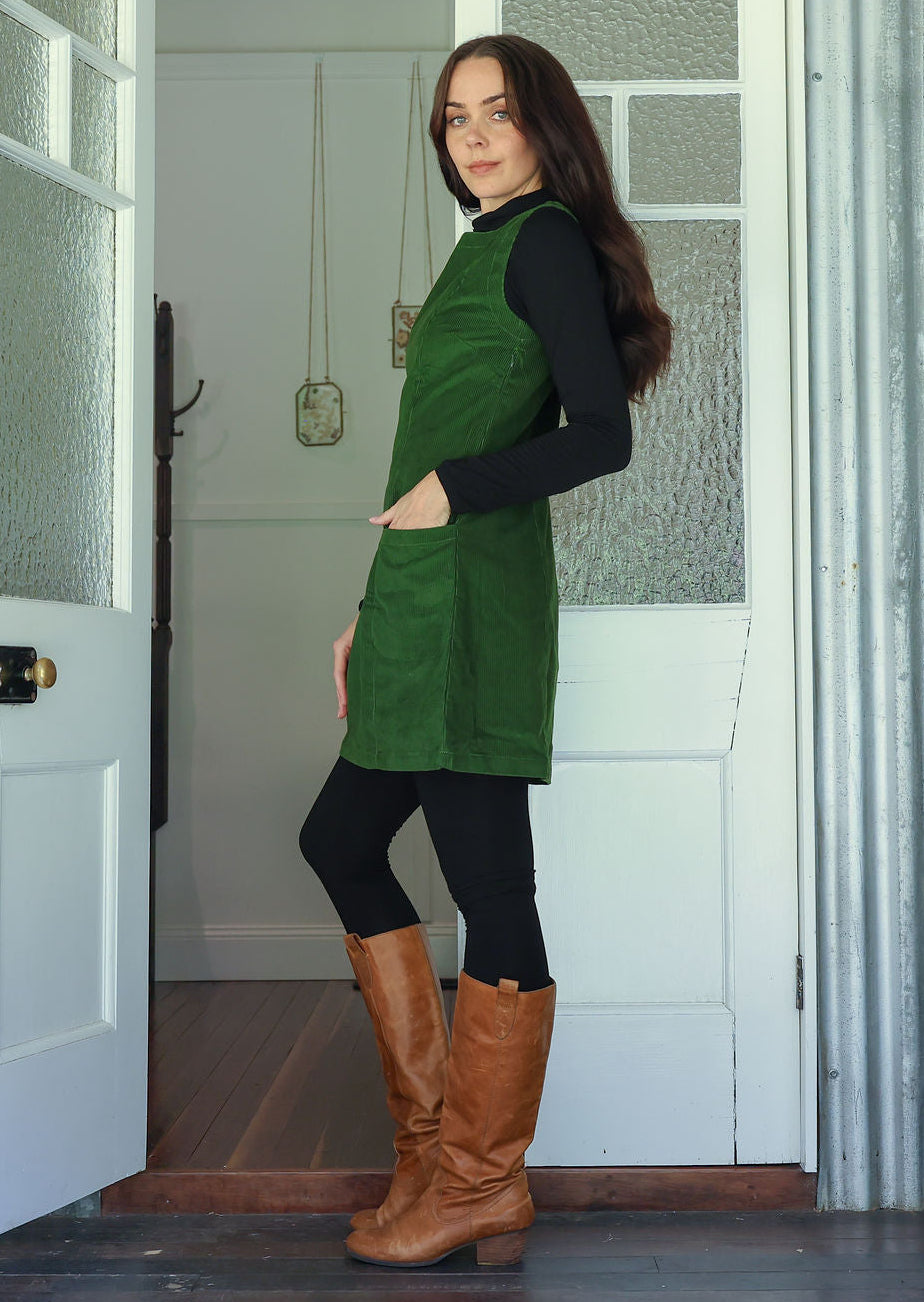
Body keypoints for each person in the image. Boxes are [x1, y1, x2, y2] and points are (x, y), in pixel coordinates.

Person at [298, 32, 672, 1269]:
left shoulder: (545, 240)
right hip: (417, 597)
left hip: (472, 605)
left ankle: (479, 1183)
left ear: (543, 124)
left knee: (490, 888)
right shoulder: (483, 245)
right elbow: (426, 455)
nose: (471, 136)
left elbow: (602, 434)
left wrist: (459, 490)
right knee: (338, 841)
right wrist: (372, 605)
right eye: (454, 117)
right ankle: (431, 1156)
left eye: (496, 112)